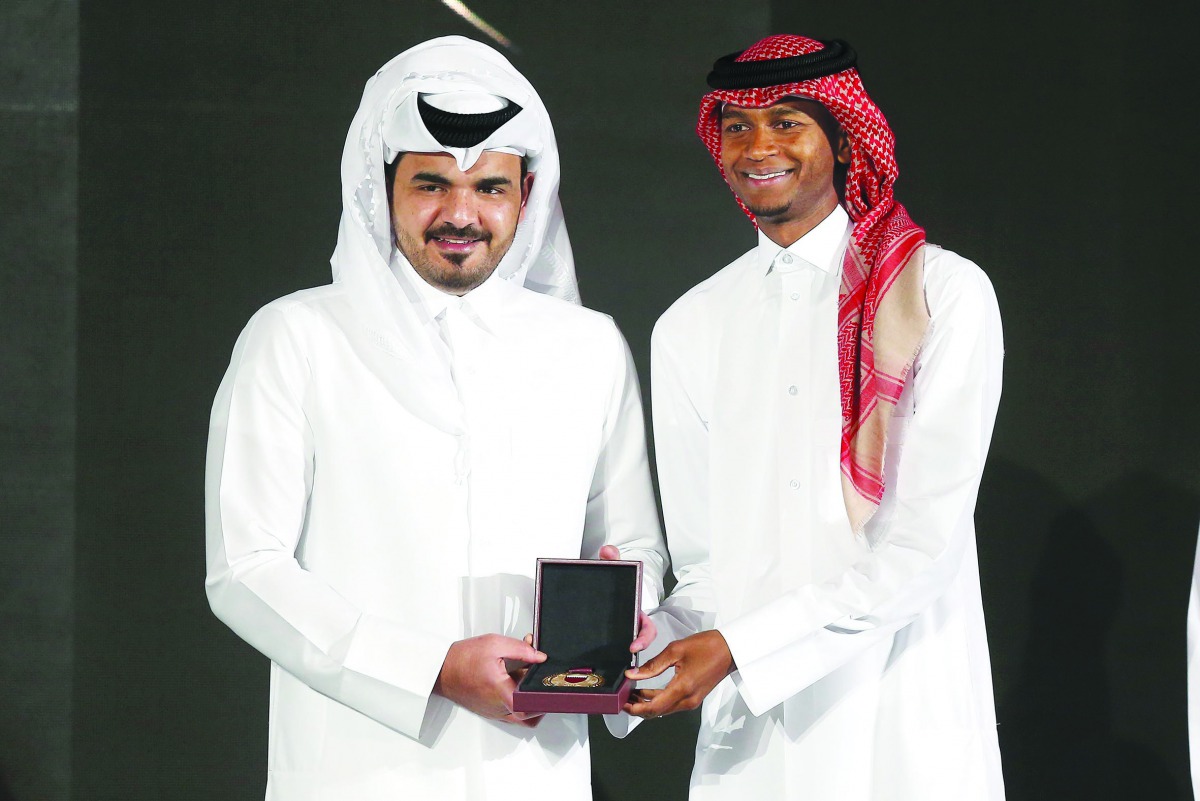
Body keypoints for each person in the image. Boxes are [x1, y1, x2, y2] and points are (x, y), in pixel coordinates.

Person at [205, 36, 666, 800]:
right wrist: (430, 671)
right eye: (430, 184)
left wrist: (628, 614)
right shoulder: (297, 337)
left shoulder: (590, 348)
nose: (461, 214)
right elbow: (245, 569)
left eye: (489, 187)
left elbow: (635, 545)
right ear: (379, 190)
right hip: (352, 769)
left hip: (535, 771)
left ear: (529, 193)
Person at [625, 35, 1006, 799]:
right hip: (753, 748)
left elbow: (919, 550)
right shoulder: (690, 325)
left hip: (899, 724)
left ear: (841, 137)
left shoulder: (941, 294)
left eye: (787, 123)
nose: (759, 147)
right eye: (737, 126)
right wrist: (649, 642)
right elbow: (707, 566)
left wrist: (736, 647)